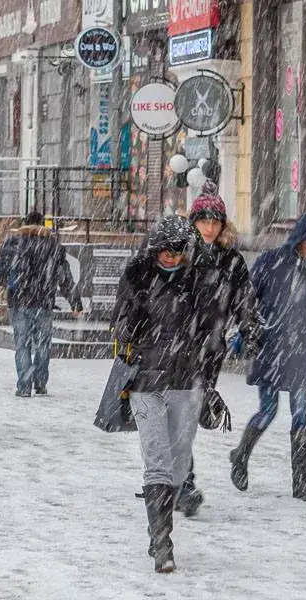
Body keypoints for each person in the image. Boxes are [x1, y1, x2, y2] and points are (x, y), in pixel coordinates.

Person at [113, 215, 211, 573]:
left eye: (178, 252)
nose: (172, 258)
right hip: (146, 382)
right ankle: (162, 543)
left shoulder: (196, 280)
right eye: (167, 252)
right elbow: (119, 324)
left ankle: (160, 528)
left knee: (179, 464)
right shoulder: (137, 277)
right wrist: (132, 324)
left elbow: (208, 333)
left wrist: (208, 381)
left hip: (185, 382)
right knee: (157, 460)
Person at [229, 213, 306, 502]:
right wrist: (248, 330)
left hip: (300, 351)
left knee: (301, 412)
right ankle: (240, 456)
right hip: (270, 347)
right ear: (299, 240)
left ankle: (300, 482)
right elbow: (248, 298)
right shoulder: (271, 261)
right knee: (268, 410)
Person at [176, 186, 256, 517]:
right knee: (181, 413)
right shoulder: (180, 254)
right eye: (203, 221)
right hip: (178, 346)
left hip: (210, 349)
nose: (209, 228)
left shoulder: (231, 261)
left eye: (215, 222)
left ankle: (176, 477)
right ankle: (183, 483)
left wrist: (249, 331)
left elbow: (244, 300)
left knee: (190, 413)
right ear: (193, 222)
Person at [0, 210, 82, 398]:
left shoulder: (14, 243)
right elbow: (65, 277)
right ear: (42, 225)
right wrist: (75, 302)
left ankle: (24, 386)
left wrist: (8, 283)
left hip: (19, 302)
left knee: (22, 344)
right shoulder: (53, 246)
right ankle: (40, 383)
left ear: (25, 223)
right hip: (44, 303)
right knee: (42, 345)